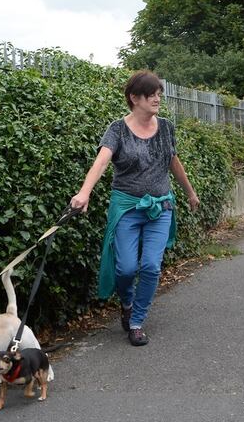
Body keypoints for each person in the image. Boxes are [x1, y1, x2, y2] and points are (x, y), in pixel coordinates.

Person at [70, 70, 200, 346]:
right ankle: (127, 303)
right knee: (126, 269)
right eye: (151, 95)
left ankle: (137, 321)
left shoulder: (165, 127)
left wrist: (189, 192)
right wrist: (84, 192)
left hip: (160, 207)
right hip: (127, 207)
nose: (157, 99)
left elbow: (173, 161)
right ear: (134, 98)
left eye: (158, 94)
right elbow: (102, 161)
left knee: (151, 266)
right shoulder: (117, 129)